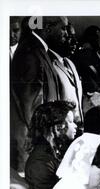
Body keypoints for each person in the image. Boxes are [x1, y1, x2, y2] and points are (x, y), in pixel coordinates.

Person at [10, 16, 67, 172]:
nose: (66, 33)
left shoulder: (37, 50)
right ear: (48, 28)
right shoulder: (30, 52)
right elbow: (29, 103)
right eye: (62, 28)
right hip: (33, 144)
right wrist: (44, 139)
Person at [25, 101, 77, 189]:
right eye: (71, 122)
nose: (75, 126)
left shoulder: (56, 150)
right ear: (58, 127)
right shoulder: (40, 162)